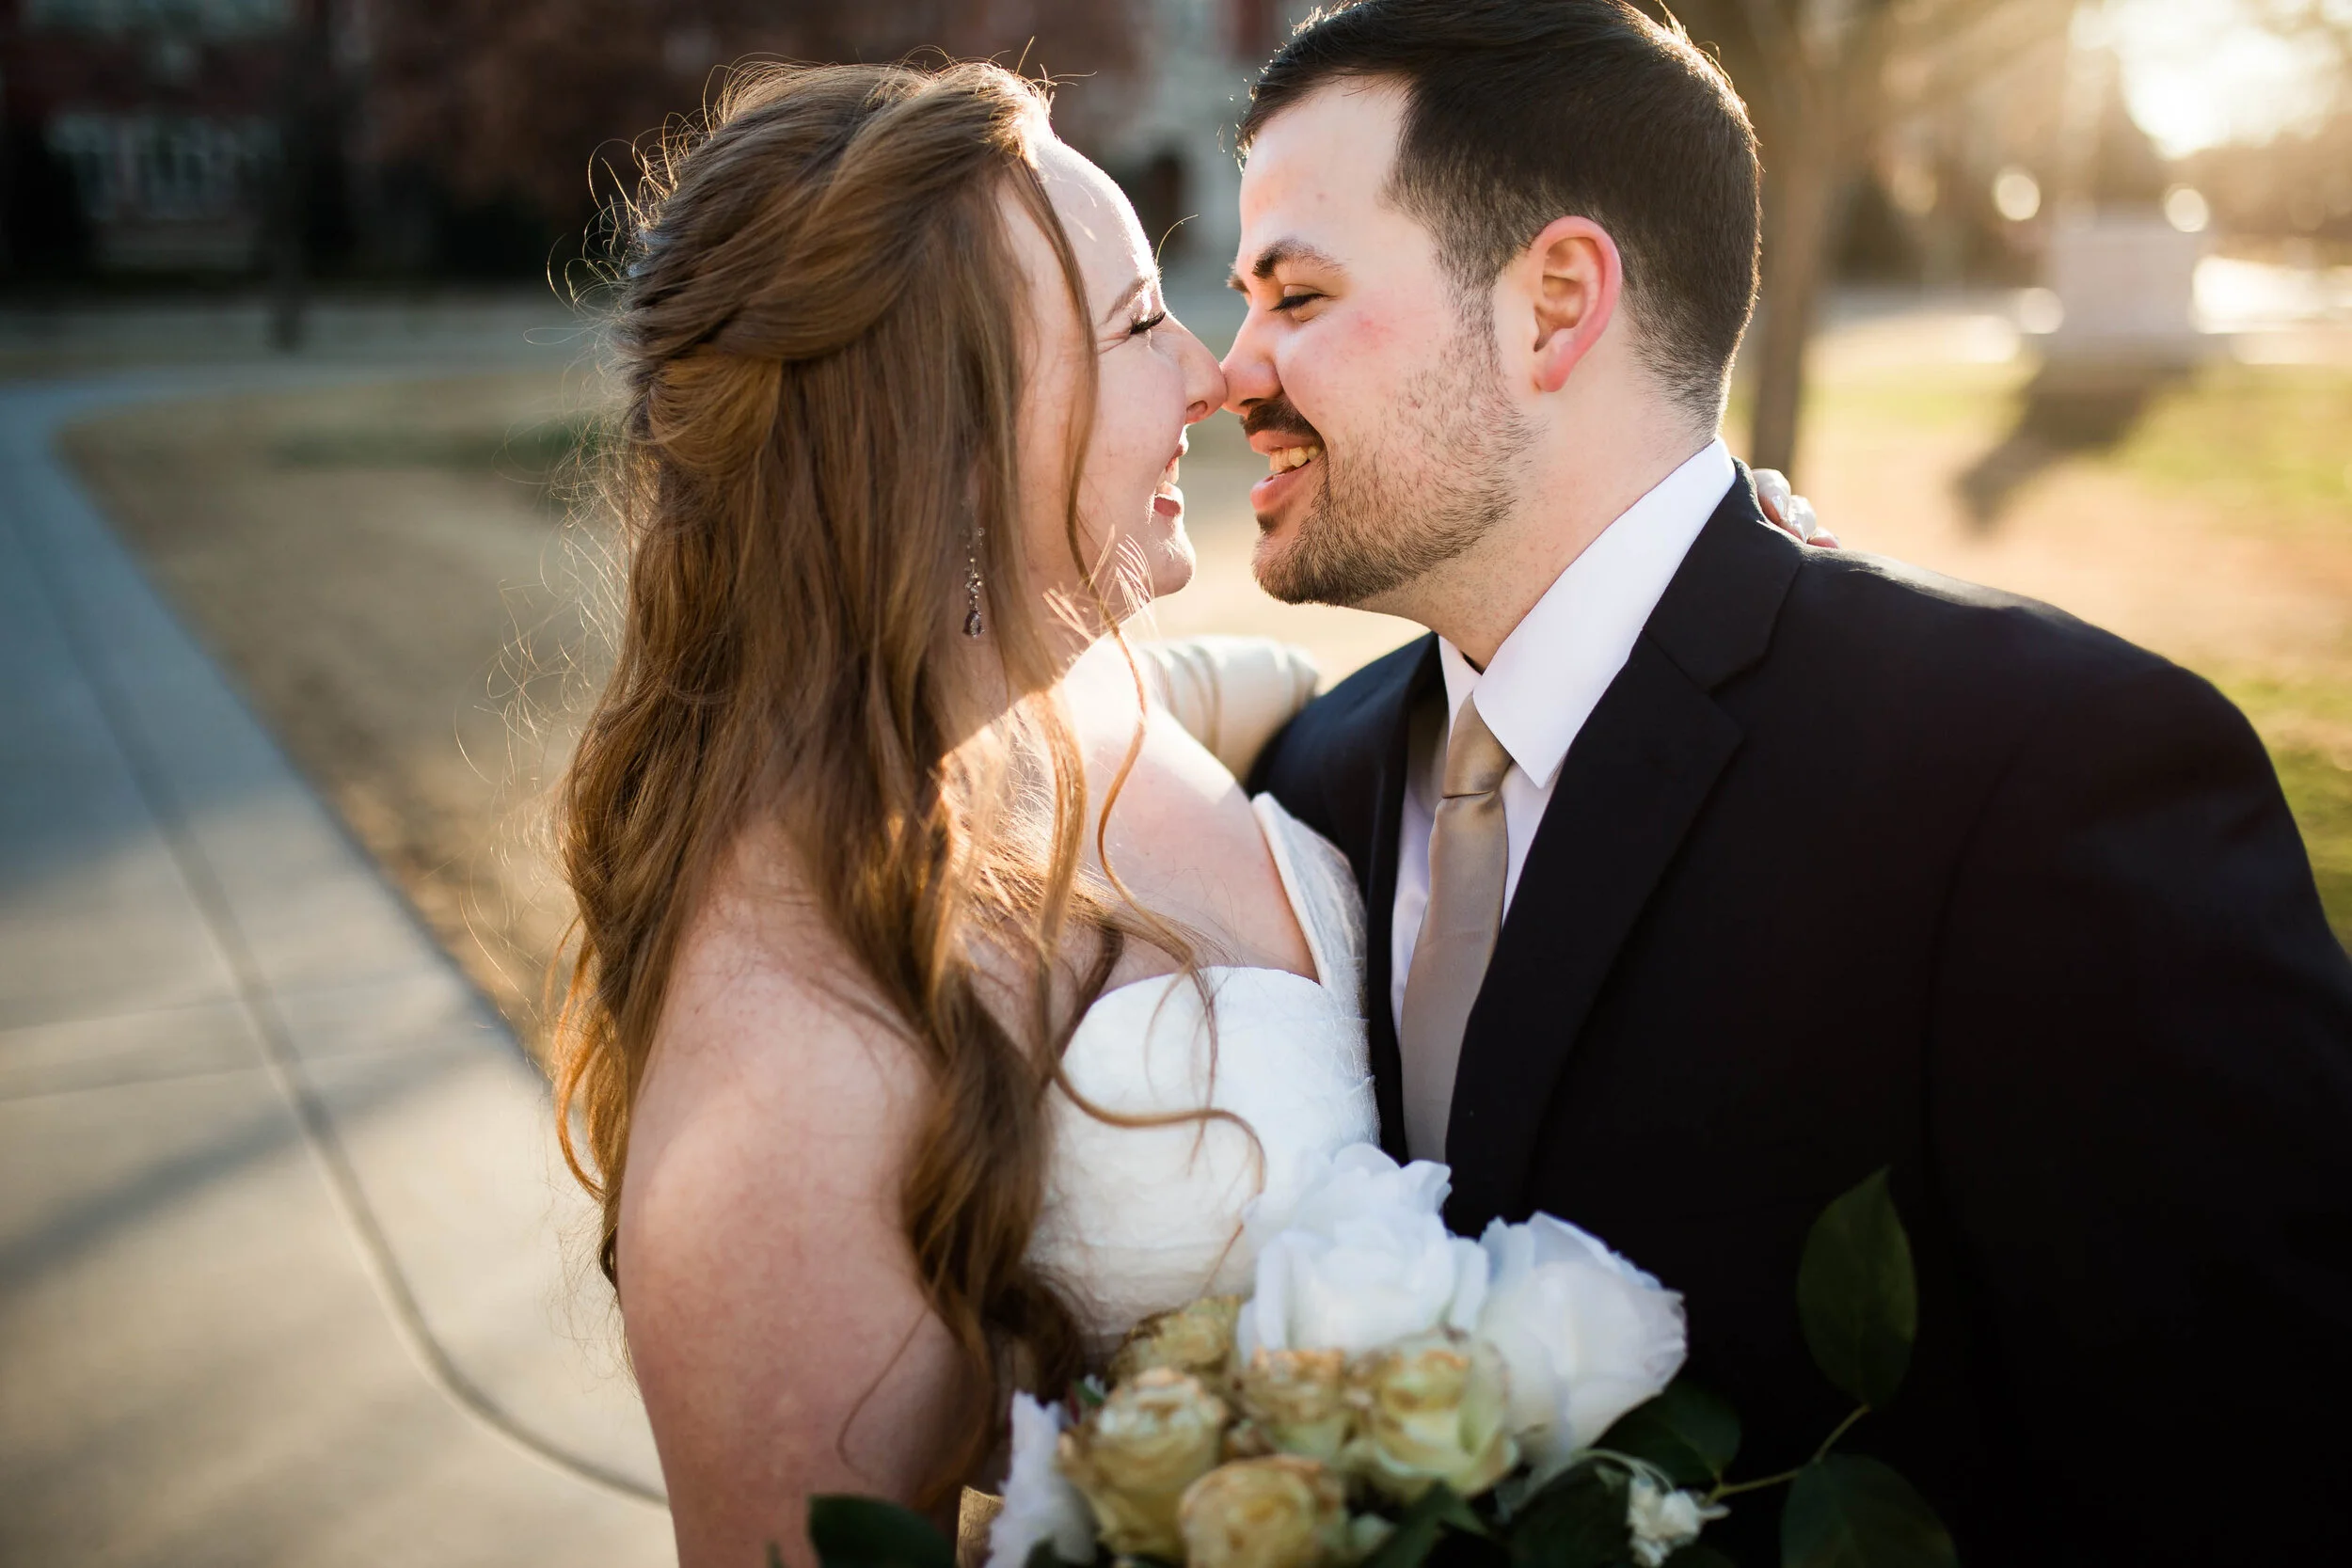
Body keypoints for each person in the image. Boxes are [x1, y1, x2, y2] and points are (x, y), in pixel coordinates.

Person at [552, 53, 1825, 1568]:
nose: (1214, 374)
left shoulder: (1108, 692)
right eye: (1142, 321)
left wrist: (1688, 595)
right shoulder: (784, 1058)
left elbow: (1360, 703)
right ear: (946, 439)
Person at [1229, 3, 2352, 1563]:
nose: (1234, 372)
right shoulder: (1305, 777)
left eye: (1296, 292)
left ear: (1555, 304)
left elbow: (2256, 1477)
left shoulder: (2042, 779)